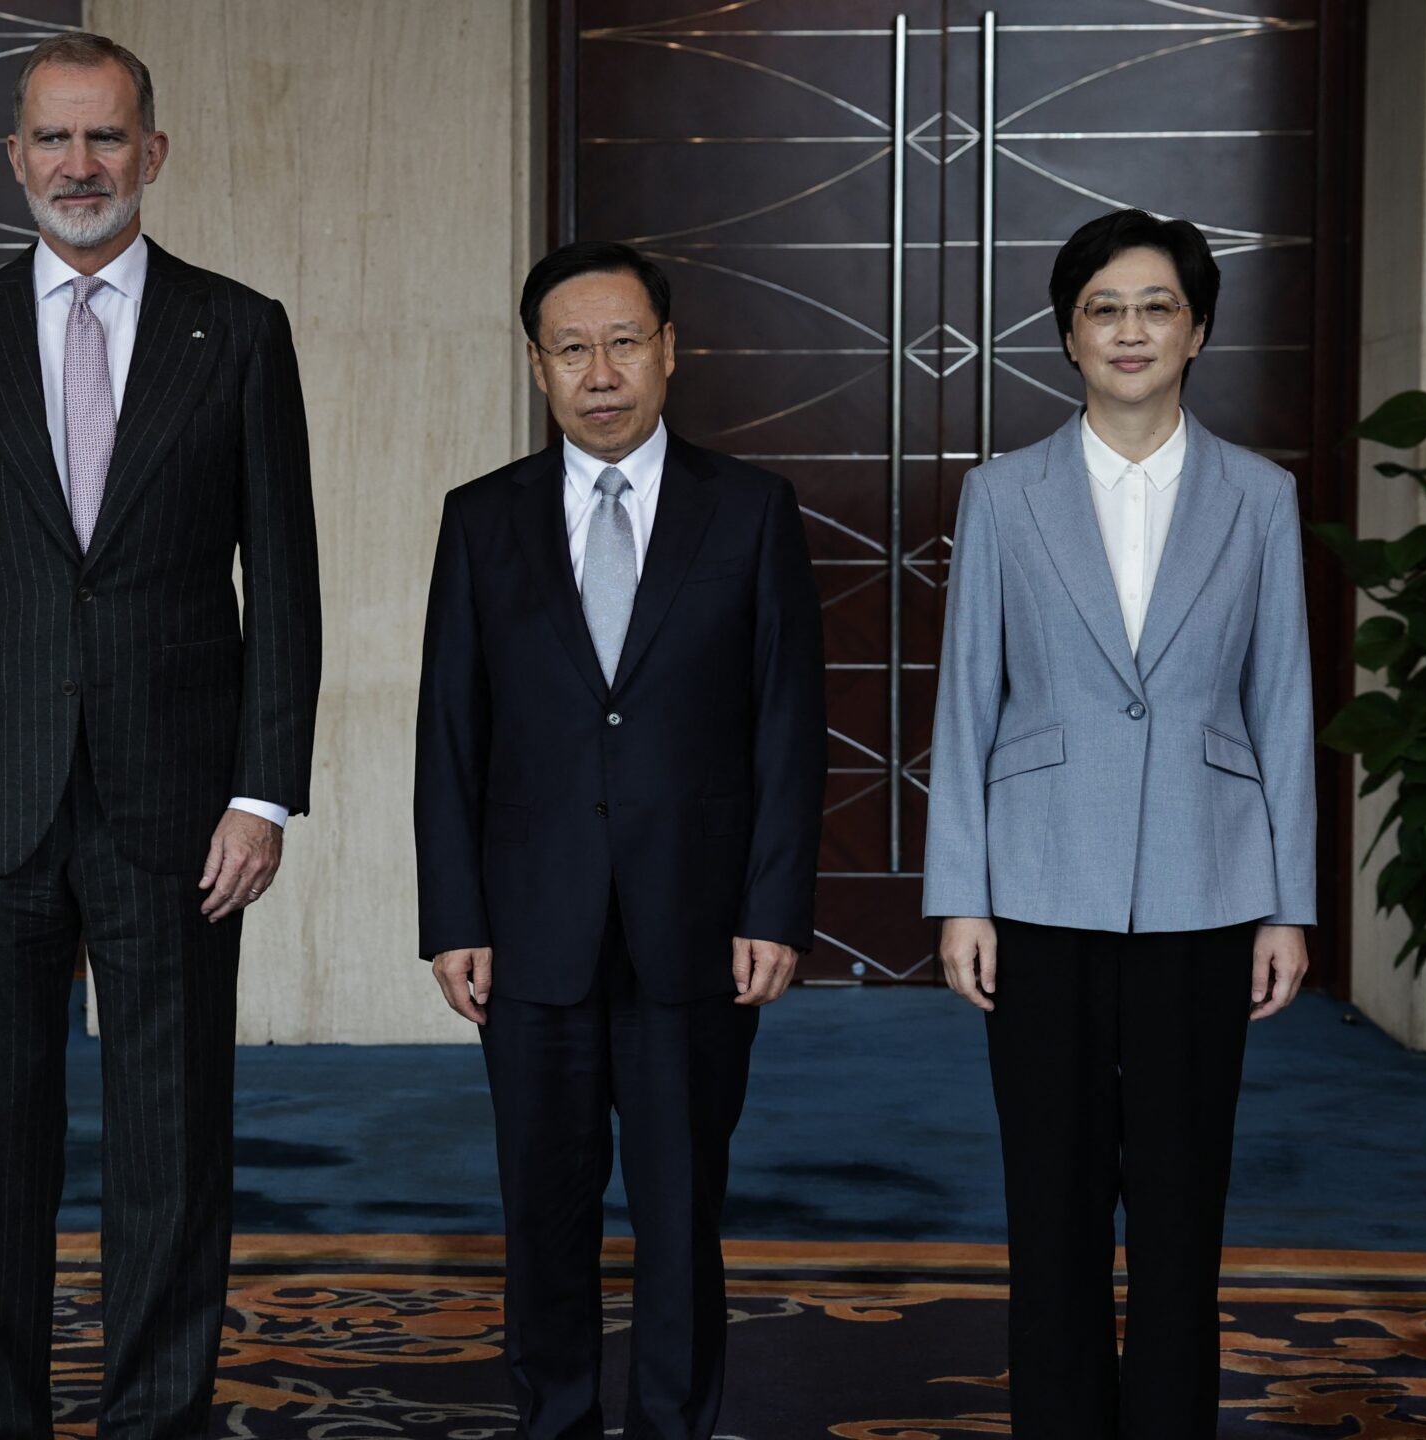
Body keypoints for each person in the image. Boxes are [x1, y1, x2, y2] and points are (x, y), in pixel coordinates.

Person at [0, 32, 321, 1440]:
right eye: (54, 140)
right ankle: (4, 1419)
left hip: (181, 809)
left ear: (154, 154)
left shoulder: (237, 330)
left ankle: (155, 1420)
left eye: (106, 139)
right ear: (14, 158)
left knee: (172, 1148)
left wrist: (266, 796)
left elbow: (285, 583)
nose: (79, 166)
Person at [413, 240, 827, 1440]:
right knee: (542, 1206)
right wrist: (454, 921)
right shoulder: (481, 520)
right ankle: (554, 1419)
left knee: (680, 1205)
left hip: (696, 928)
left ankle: (673, 1421)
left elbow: (788, 728)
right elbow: (450, 732)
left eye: (625, 341)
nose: (602, 372)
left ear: (669, 350)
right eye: (572, 348)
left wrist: (773, 908)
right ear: (537, 365)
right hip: (530, 925)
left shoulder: (748, 511)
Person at [921, 208, 1316, 1436]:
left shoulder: (1259, 497)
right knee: (1051, 1204)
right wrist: (960, 895)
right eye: (1104, 308)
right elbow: (965, 701)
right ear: (1068, 335)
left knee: (1180, 1206)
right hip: (1037, 887)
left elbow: (1285, 703)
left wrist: (1287, 904)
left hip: (1207, 884)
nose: (1130, 329)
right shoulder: (1002, 495)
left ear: (1196, 331)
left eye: (1155, 307)